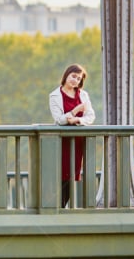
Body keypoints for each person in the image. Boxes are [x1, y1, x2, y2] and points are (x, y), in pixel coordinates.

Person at [49, 63, 95, 207]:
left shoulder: (83, 95)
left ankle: (63, 205)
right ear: (66, 75)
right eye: (73, 76)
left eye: (78, 78)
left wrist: (78, 120)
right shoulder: (55, 96)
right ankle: (58, 206)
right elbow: (59, 119)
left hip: (78, 141)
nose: (75, 80)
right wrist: (75, 111)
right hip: (62, 142)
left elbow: (91, 116)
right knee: (61, 175)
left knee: (72, 175)